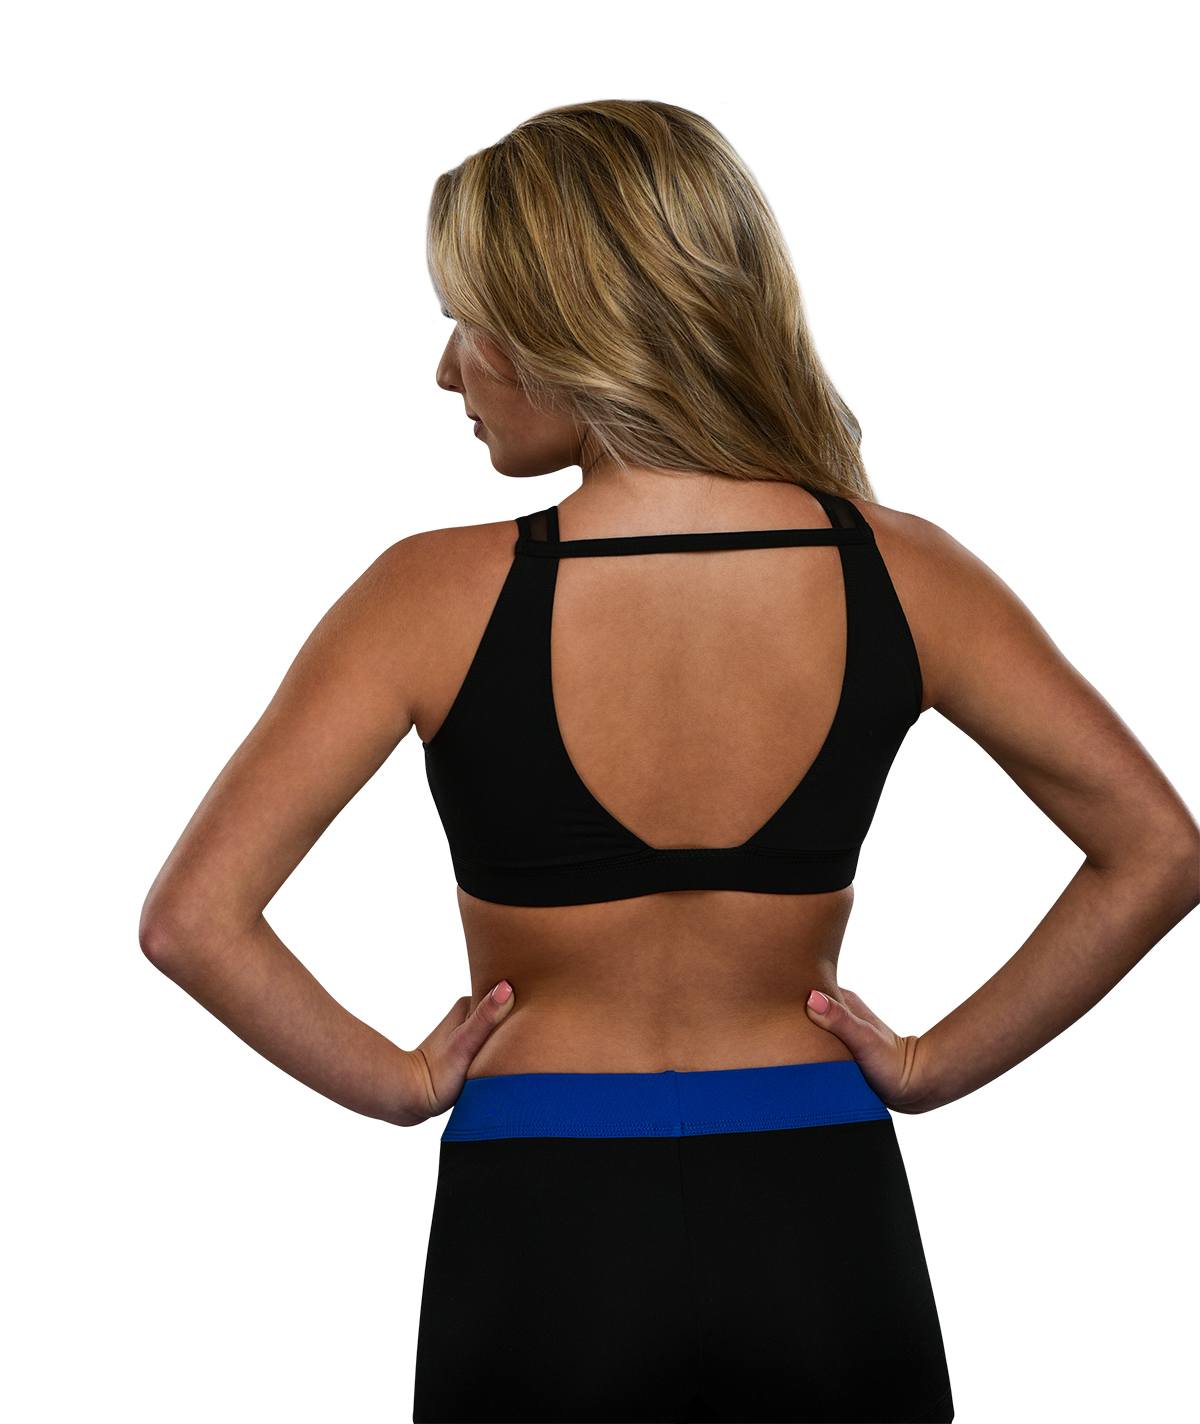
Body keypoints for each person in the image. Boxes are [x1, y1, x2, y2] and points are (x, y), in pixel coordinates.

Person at [139, 100, 1199, 1424]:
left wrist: (397, 1082)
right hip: (820, 1203)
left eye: (469, 324)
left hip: (540, 1212)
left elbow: (192, 921)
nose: (446, 373)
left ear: (567, 327)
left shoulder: (428, 595)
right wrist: (931, 1065)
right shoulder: (905, 572)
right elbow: (1158, 852)